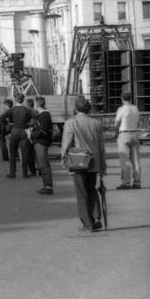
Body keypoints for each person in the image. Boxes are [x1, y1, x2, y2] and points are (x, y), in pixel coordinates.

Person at [59, 95, 107, 232]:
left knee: (81, 192)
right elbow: (101, 146)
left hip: (78, 161)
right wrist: (103, 164)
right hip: (94, 161)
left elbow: (66, 142)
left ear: (75, 108)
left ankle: (88, 223)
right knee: (92, 189)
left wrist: (64, 159)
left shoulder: (71, 122)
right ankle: (96, 218)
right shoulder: (96, 123)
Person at [114, 91, 142, 190]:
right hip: (134, 134)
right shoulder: (135, 108)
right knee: (135, 160)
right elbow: (138, 121)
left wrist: (116, 133)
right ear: (131, 98)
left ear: (122, 98)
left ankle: (126, 182)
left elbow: (117, 123)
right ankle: (137, 182)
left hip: (124, 134)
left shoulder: (121, 109)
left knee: (125, 160)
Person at [6, 94, 34, 178]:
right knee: (24, 152)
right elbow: (36, 116)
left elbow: (1, 117)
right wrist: (29, 124)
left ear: (15, 99)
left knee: (12, 152)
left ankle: (12, 172)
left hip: (14, 130)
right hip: (24, 131)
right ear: (23, 100)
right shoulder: (27, 110)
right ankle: (24, 173)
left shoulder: (12, 109)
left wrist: (9, 124)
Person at [30, 96, 54, 194]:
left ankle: (48, 186)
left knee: (43, 164)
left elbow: (43, 131)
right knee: (42, 164)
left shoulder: (44, 115)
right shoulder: (43, 115)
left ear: (37, 104)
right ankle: (46, 185)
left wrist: (31, 134)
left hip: (41, 142)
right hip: (40, 142)